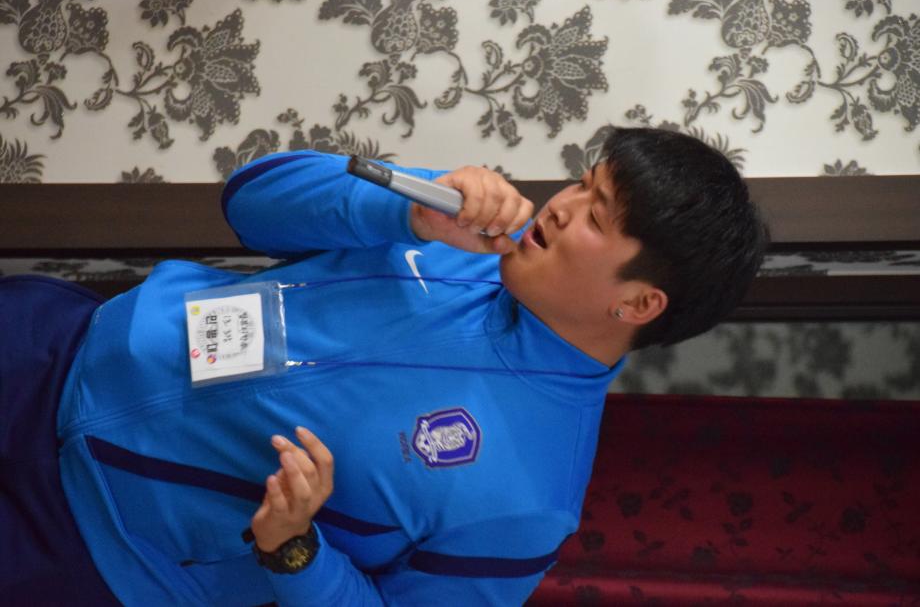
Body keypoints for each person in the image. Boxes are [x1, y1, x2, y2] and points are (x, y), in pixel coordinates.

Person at [2, 127, 767, 605]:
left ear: (638, 303)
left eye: (595, 217)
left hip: (89, 548)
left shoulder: (533, 501)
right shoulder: (459, 227)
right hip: (50, 342)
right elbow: (249, 199)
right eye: (584, 182)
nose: (561, 205)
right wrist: (407, 209)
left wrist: (295, 550)